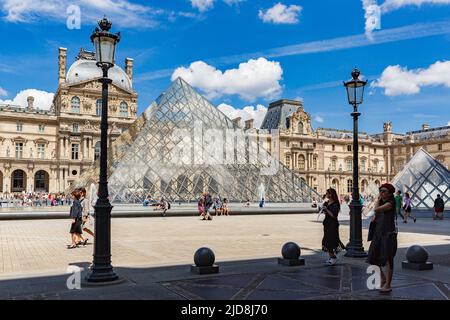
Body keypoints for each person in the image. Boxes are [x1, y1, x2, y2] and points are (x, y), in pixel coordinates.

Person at [366, 183, 398, 294]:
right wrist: (374, 219)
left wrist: (377, 201)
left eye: (384, 191)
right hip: (378, 234)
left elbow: (377, 210)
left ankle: (388, 284)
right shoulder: (383, 202)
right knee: (372, 258)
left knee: (388, 260)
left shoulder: (390, 203)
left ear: (389, 193)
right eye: (380, 190)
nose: (381, 192)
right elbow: (375, 217)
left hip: (388, 234)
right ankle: (383, 278)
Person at [321, 188, 345, 265]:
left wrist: (326, 209)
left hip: (333, 224)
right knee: (327, 240)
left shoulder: (336, 204)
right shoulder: (327, 202)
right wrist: (324, 209)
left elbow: (334, 215)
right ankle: (332, 257)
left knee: (330, 240)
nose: (326, 194)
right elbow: (326, 214)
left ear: (331, 194)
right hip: (327, 223)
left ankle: (333, 257)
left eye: (327, 193)